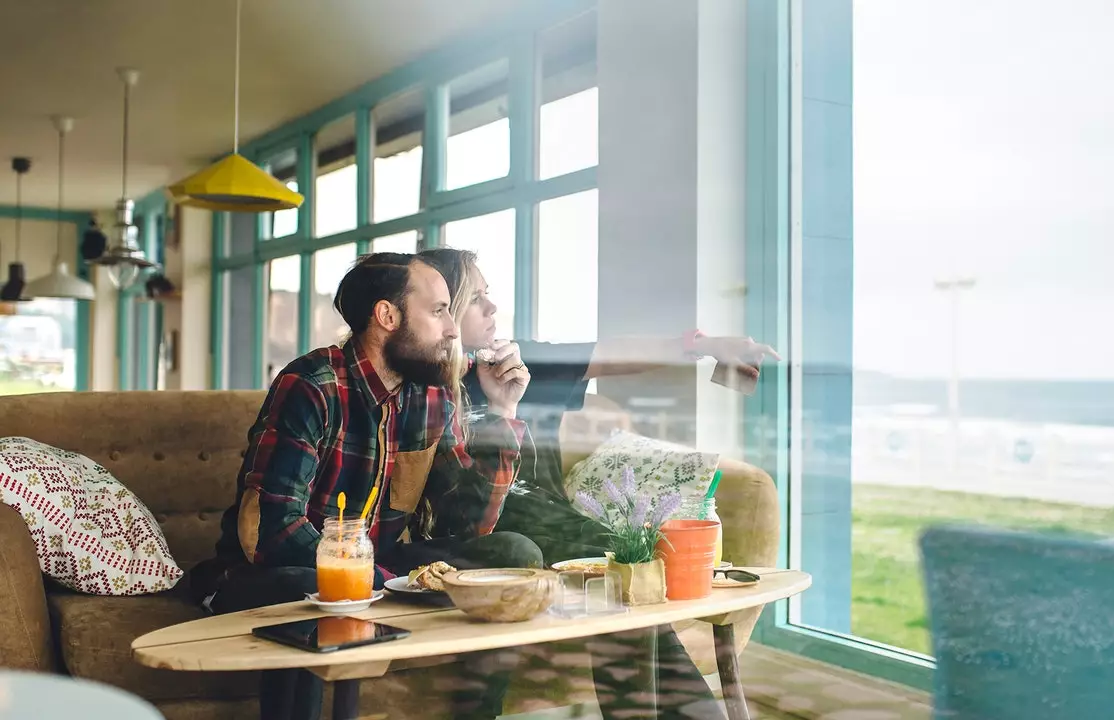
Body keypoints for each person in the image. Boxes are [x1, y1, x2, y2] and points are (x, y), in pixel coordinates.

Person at [419, 247, 778, 719]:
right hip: (487, 538)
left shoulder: (511, 364)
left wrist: (706, 346)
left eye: (490, 295)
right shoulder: (420, 386)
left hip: (553, 521)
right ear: (436, 311)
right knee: (618, 561)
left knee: (622, 565)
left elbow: (610, 354)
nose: (492, 308)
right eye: (475, 299)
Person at [186, 252, 536, 720]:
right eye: (438, 312)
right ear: (387, 316)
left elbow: (467, 525)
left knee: (515, 555)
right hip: (272, 576)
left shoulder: (431, 395)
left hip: (376, 573)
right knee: (316, 590)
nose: (453, 329)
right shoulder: (311, 384)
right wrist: (376, 579)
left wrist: (502, 413)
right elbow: (271, 529)